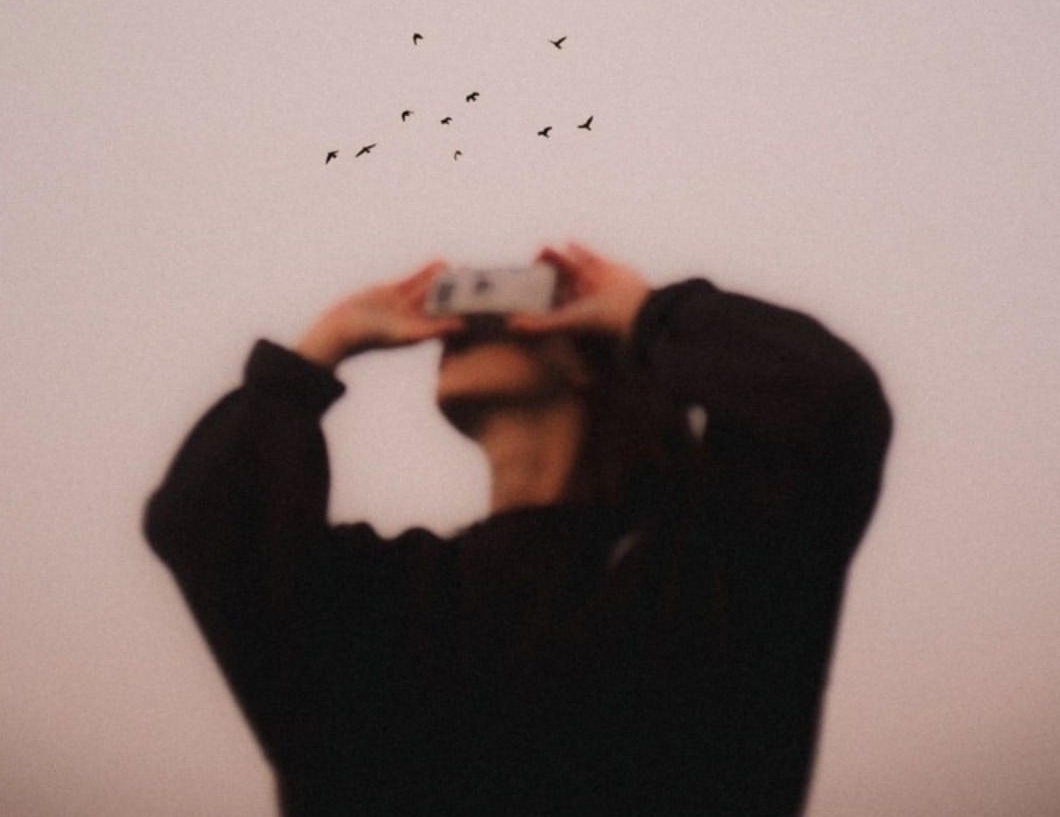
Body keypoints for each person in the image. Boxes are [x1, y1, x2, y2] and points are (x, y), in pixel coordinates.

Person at [144, 242, 891, 817]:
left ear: (592, 363)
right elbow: (205, 520)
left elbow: (829, 402)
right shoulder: (385, 601)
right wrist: (322, 346)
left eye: (509, 309)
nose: (463, 325)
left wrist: (647, 313)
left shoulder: (700, 571)